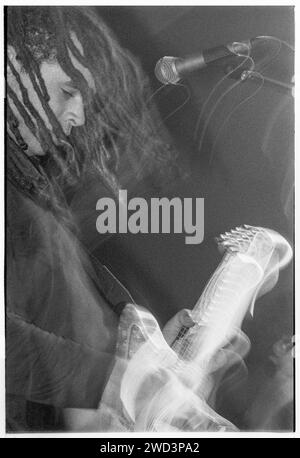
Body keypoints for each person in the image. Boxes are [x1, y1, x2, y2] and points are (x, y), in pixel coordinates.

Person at [6, 6, 192, 432]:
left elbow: (68, 299)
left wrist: (146, 343)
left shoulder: (28, 196)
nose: (79, 118)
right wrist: (116, 378)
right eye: (69, 89)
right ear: (13, 65)